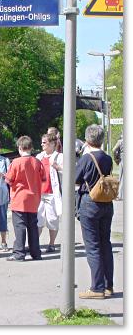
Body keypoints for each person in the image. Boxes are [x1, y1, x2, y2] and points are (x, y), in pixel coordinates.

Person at [75, 124, 114, 299]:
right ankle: (108, 285)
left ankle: (97, 288)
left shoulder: (86, 158)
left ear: (87, 139)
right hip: (106, 203)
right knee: (105, 243)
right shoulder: (107, 158)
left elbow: (75, 179)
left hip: (90, 203)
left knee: (93, 246)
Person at [5, 136, 45, 261]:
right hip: (34, 199)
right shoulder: (37, 162)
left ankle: (19, 253)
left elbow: (9, 180)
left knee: (20, 226)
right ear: (31, 148)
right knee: (33, 226)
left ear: (20, 148)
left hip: (19, 199)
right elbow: (43, 178)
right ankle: (35, 253)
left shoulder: (16, 163)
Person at [36, 133, 63, 252]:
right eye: (42, 142)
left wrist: (58, 167)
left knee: (52, 220)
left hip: (52, 193)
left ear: (52, 144)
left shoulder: (60, 157)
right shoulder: (39, 157)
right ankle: (35, 244)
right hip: (39, 193)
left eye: (44, 142)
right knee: (38, 219)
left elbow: (71, 171)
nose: (42, 144)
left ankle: (51, 244)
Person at [112, 134, 124, 200]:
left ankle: (119, 195)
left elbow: (114, 150)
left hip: (122, 159)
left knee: (121, 177)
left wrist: (116, 158)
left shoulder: (120, 141)